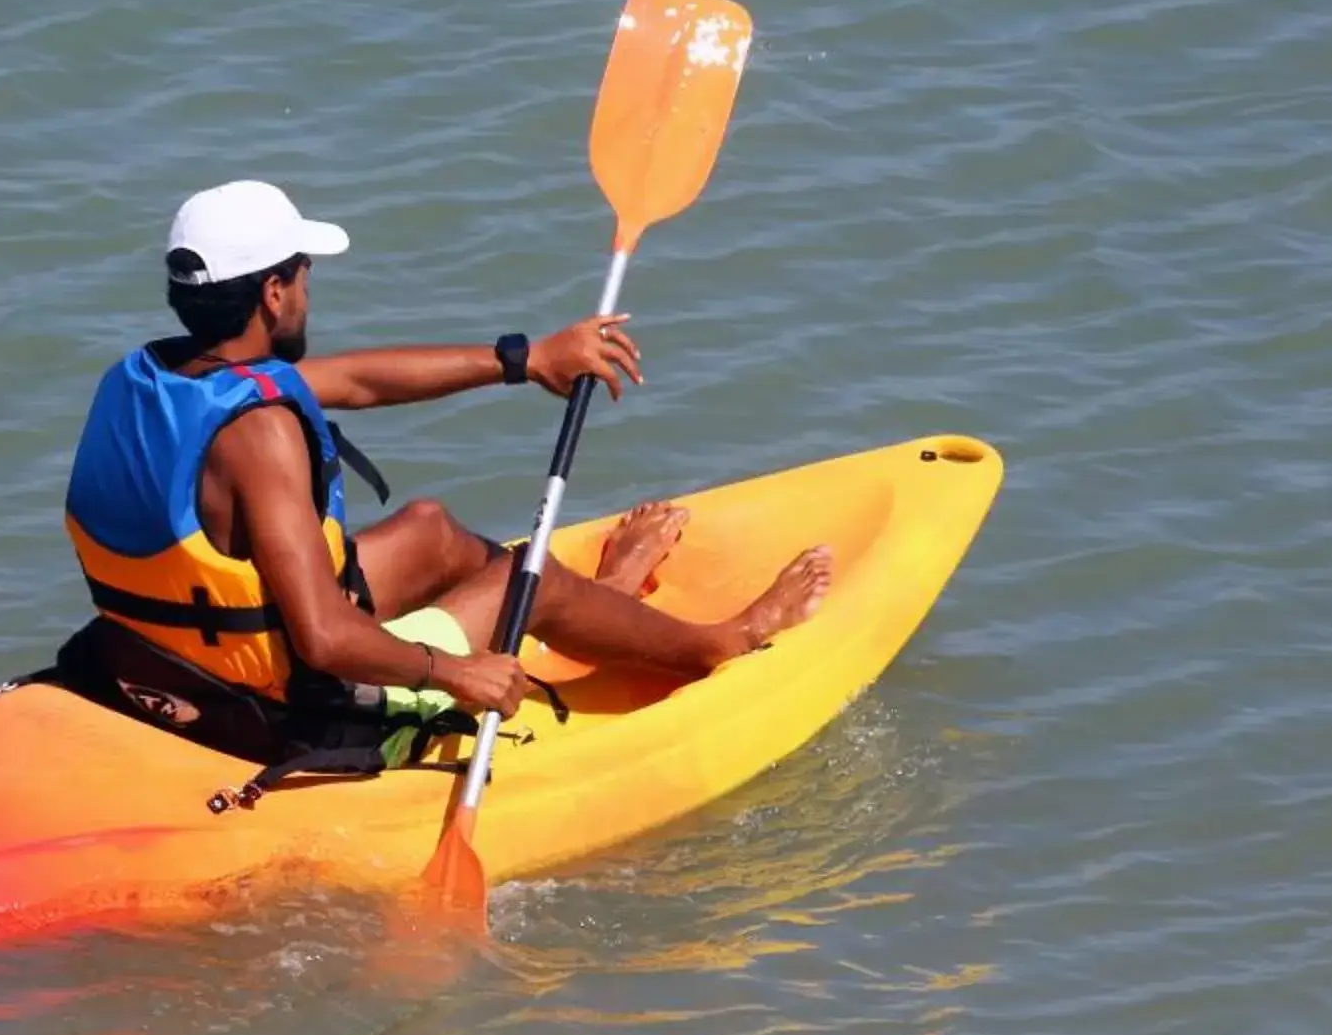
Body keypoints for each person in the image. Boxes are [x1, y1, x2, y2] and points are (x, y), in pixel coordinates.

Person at [59, 178, 833, 780]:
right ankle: (716, 640)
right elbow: (326, 639)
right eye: (301, 274)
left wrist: (523, 361)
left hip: (165, 658)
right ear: (273, 291)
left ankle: (605, 606)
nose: (306, 289)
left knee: (430, 529)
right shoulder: (257, 436)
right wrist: (453, 673)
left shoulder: (150, 377)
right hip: (279, 705)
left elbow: (357, 380)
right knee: (532, 578)